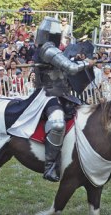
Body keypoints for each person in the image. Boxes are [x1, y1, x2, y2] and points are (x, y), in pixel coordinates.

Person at [33, 16, 94, 182]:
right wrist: (86, 64)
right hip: (48, 95)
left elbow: (67, 63)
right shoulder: (47, 50)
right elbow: (70, 68)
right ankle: (50, 166)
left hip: (63, 94)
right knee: (58, 123)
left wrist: (77, 59)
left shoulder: (53, 49)